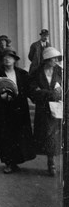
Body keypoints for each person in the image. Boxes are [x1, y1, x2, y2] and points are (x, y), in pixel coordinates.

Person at [0, 48, 36, 174]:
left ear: (14, 60)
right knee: (5, 136)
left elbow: (30, 90)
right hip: (3, 110)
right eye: (4, 58)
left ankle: (16, 161)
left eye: (9, 57)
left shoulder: (22, 74)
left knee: (18, 135)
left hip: (19, 109)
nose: (7, 59)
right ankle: (8, 163)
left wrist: (38, 98)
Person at [29, 47, 63, 176]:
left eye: (56, 58)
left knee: (54, 134)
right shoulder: (37, 73)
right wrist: (48, 94)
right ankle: (50, 160)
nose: (56, 61)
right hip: (43, 108)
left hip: (57, 107)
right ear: (47, 60)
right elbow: (32, 90)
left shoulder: (59, 71)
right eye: (53, 58)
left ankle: (52, 161)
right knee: (46, 134)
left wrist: (58, 95)